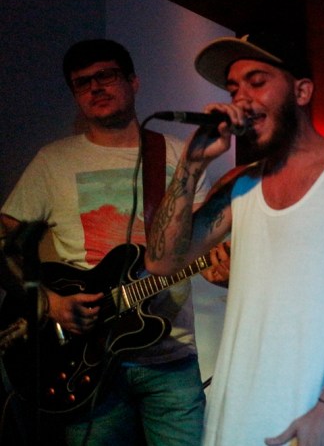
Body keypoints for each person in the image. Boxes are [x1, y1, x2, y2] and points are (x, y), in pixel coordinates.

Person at [143, 31, 324, 446]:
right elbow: (162, 262)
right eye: (233, 89)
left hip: (316, 410)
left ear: (302, 91)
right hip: (235, 408)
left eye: (257, 82)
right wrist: (190, 165)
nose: (241, 99)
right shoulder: (238, 184)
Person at [0, 39, 212, 446]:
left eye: (106, 76)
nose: (95, 87)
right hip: (83, 360)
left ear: (133, 81)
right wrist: (49, 303)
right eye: (82, 83)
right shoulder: (53, 161)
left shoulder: (178, 155)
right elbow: (5, 243)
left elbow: (205, 241)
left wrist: (221, 264)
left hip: (171, 356)